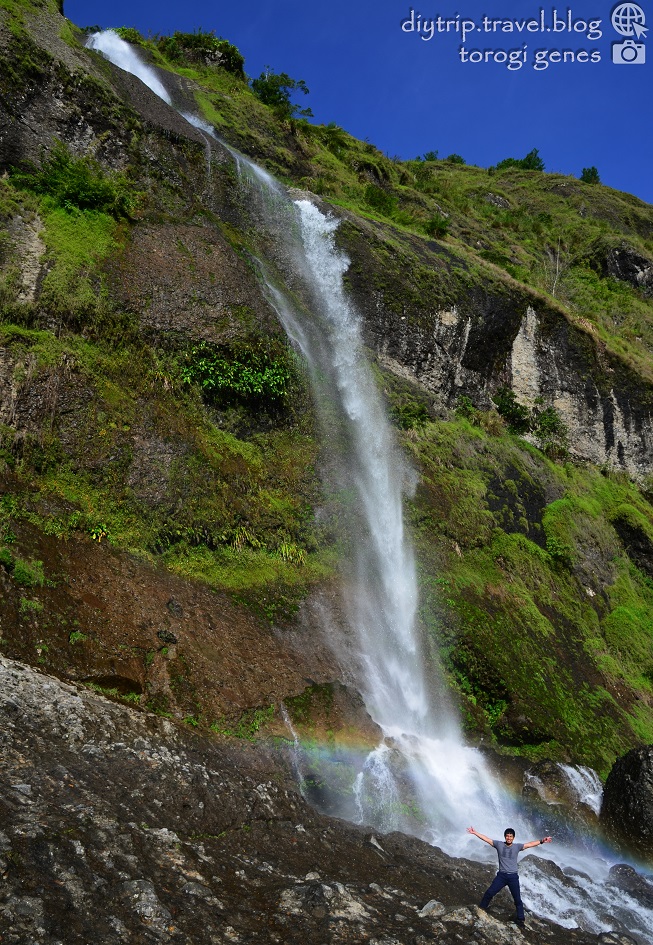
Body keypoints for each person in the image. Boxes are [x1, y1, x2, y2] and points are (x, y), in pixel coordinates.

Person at [466, 826, 552, 926]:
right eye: (507, 836)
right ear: (505, 837)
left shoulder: (517, 847)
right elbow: (486, 839)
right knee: (489, 893)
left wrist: (542, 840)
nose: (509, 838)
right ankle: (480, 910)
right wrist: (475, 832)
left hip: (513, 877)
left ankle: (520, 920)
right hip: (501, 876)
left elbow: (530, 844)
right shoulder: (498, 844)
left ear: (513, 838)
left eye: (511, 836)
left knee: (517, 900)